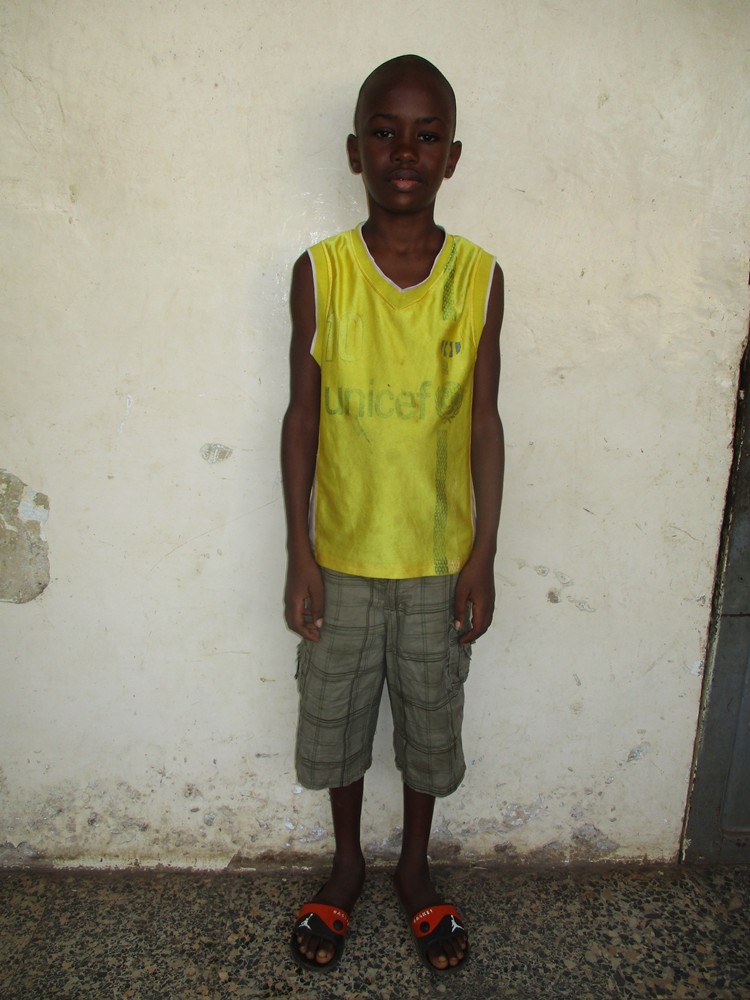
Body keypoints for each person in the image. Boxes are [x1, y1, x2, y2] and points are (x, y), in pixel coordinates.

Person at [281, 53, 504, 974]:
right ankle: (347, 864)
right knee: (334, 717)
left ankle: (414, 864)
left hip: (438, 560)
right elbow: (301, 418)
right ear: (354, 151)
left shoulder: (479, 277)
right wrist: (299, 554)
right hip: (340, 554)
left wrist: (483, 555)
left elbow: (484, 421)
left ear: (452, 156)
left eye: (425, 135)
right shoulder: (321, 272)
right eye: (384, 132)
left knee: (428, 719)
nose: (404, 151)